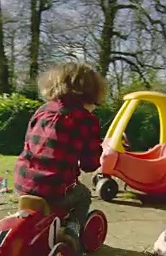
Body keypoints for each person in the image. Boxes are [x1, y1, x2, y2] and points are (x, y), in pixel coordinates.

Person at [14, 62, 107, 245]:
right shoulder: (87, 120)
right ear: (91, 94)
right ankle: (72, 233)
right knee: (83, 194)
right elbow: (90, 164)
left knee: (58, 185)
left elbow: (29, 142)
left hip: (23, 183)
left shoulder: (42, 110)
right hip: (54, 189)